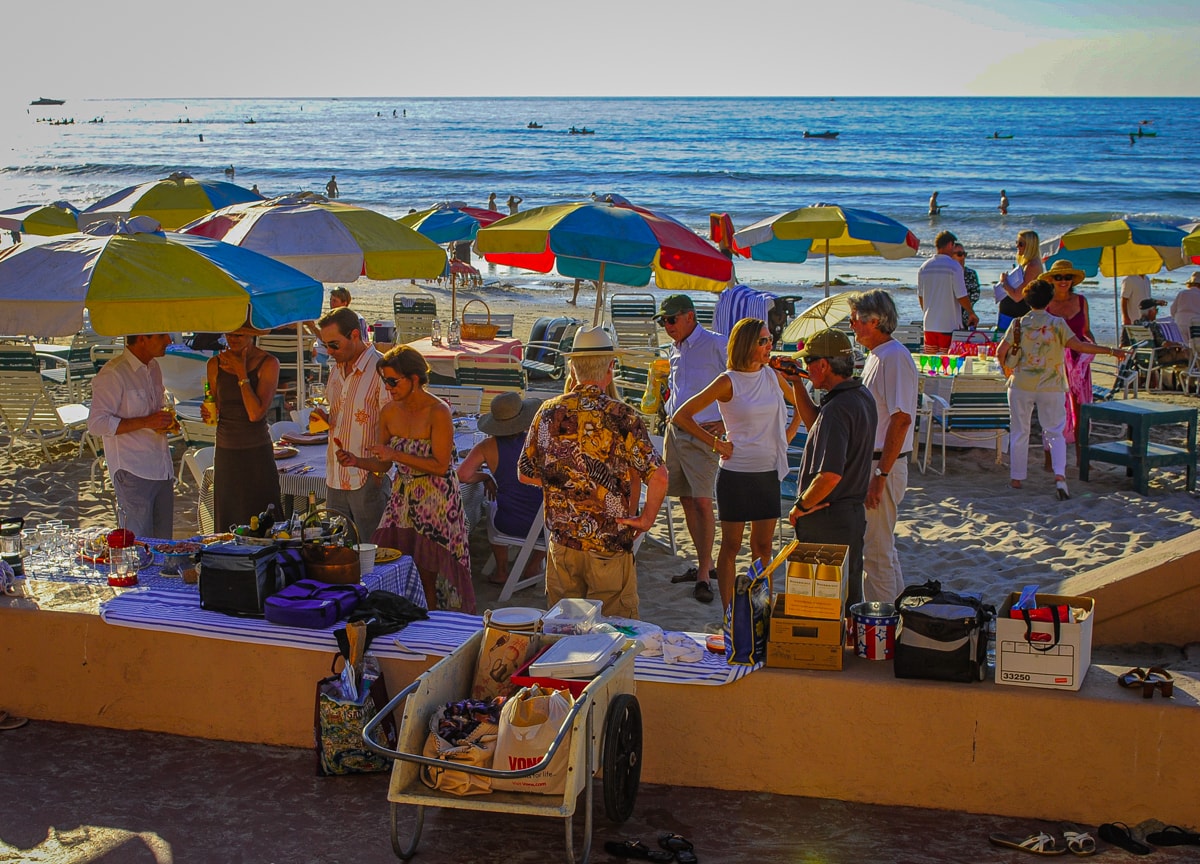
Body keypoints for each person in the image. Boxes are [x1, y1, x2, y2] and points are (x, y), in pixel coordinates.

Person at [518, 327, 667, 619]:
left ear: (572, 367)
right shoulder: (622, 416)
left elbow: (525, 472)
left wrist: (569, 484)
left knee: (565, 635)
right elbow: (658, 476)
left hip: (563, 542)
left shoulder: (548, 412)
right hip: (609, 541)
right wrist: (646, 519)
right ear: (610, 369)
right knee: (614, 634)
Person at [671, 318, 803, 610]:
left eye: (770, 340)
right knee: (731, 546)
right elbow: (681, 415)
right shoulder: (727, 380)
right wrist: (715, 443)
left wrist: (788, 434)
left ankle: (758, 609)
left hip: (768, 472)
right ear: (746, 345)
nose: (770, 345)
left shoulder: (771, 375)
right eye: (763, 341)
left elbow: (802, 407)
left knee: (763, 547)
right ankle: (730, 614)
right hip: (736, 474)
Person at [343, 346, 473, 612]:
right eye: (385, 381)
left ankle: (435, 621)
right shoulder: (389, 412)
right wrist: (357, 461)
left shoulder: (438, 411)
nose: (388, 387)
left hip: (436, 497)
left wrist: (394, 454)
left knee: (429, 567)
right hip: (403, 497)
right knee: (391, 557)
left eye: (393, 381)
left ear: (414, 379)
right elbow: (384, 463)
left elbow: (440, 465)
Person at [997, 279, 1127, 500]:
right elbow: (1079, 345)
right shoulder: (1057, 324)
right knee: (1055, 432)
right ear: (1049, 300)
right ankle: (1059, 477)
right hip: (1052, 385)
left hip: (1021, 384)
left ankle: (1016, 479)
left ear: (1027, 301)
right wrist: (1111, 351)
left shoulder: (1018, 323)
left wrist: (1006, 370)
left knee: (1020, 432)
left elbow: (1001, 351)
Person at [786, 329, 876, 613]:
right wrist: (798, 385)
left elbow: (830, 475)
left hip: (827, 518)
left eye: (809, 361)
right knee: (847, 602)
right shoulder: (861, 395)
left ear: (824, 365)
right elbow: (817, 427)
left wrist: (800, 507)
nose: (806, 367)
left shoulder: (838, 408)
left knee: (817, 607)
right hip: (849, 517)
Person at [655, 293, 728, 603]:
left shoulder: (716, 343)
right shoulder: (675, 348)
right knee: (685, 498)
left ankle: (703, 576)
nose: (667, 326)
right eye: (663, 321)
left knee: (702, 502)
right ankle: (704, 563)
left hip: (702, 432)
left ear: (689, 316)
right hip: (675, 429)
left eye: (671, 320)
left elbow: (744, 381)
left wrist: (726, 424)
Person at [848, 291, 918, 604]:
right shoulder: (879, 355)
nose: (852, 325)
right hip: (875, 462)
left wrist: (881, 473)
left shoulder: (894, 357)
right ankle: (898, 616)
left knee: (876, 552)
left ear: (874, 321)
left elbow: (901, 420)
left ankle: (884, 624)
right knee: (880, 548)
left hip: (883, 463)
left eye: (856, 319)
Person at [312, 307, 391, 541]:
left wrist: (378, 471)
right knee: (337, 549)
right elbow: (339, 410)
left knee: (373, 550)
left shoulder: (381, 369)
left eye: (334, 344)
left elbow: (391, 422)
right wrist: (325, 418)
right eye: (326, 345)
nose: (329, 351)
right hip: (336, 474)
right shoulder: (336, 368)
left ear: (355, 335)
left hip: (367, 476)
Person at [87, 334, 176, 539]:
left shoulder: (154, 368)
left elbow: (155, 413)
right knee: (138, 546)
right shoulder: (114, 373)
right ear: (142, 338)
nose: (169, 341)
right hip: (133, 470)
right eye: (162, 335)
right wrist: (146, 422)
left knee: (163, 545)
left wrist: (166, 423)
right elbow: (96, 423)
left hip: (161, 467)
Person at [456, 392, 547, 586]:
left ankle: (502, 570)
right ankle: (534, 565)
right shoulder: (538, 442)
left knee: (491, 505)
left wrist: (485, 476)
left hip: (509, 523)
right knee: (552, 514)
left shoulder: (487, 446)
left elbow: (462, 475)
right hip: (545, 527)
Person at [200, 321, 282, 531]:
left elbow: (255, 414)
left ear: (252, 336)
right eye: (229, 334)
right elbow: (216, 407)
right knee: (228, 520)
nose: (232, 339)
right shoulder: (214, 364)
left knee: (264, 521)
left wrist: (241, 374)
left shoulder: (268, 363)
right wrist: (208, 410)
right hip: (227, 450)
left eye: (240, 335)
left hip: (256, 451)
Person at [1044, 259, 1096, 459]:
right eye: (1058, 277)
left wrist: (1093, 348)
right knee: (1054, 411)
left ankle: (1082, 459)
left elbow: (1086, 330)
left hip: (1079, 363)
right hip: (1055, 363)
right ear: (1052, 280)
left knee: (1082, 411)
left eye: (1067, 277)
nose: (1063, 281)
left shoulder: (1081, 301)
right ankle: (1049, 458)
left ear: (1072, 280)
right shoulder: (1046, 304)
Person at [917, 229, 975, 352]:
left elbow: (921, 296)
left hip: (929, 324)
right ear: (950, 244)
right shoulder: (954, 267)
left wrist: (928, 312)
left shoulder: (924, 267)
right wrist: (971, 312)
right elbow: (961, 295)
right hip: (949, 325)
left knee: (931, 364)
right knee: (948, 363)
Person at [995, 229, 1043, 332]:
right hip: (1014, 313)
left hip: (1017, 314)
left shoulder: (1032, 266)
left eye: (1021, 244)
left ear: (1029, 246)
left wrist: (1004, 282)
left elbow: (1018, 296)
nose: (1017, 246)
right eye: (1017, 242)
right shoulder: (1029, 263)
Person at [1134, 298, 1192, 371]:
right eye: (1156, 310)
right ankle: (1191, 379)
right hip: (1157, 358)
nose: (1156, 313)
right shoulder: (1152, 326)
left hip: (1141, 358)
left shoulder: (1135, 325)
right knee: (1189, 354)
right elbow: (1164, 344)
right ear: (1150, 312)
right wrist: (1177, 344)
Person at [953, 243, 980, 330]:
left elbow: (976, 294)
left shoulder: (970, 273)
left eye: (964, 254)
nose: (963, 257)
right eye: (959, 254)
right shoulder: (947, 274)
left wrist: (966, 310)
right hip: (948, 316)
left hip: (967, 316)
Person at [1170, 271, 1200, 336]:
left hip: (1180, 323)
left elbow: (1172, 310)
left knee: (1183, 344)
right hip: (1196, 326)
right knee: (1195, 344)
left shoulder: (1182, 293)